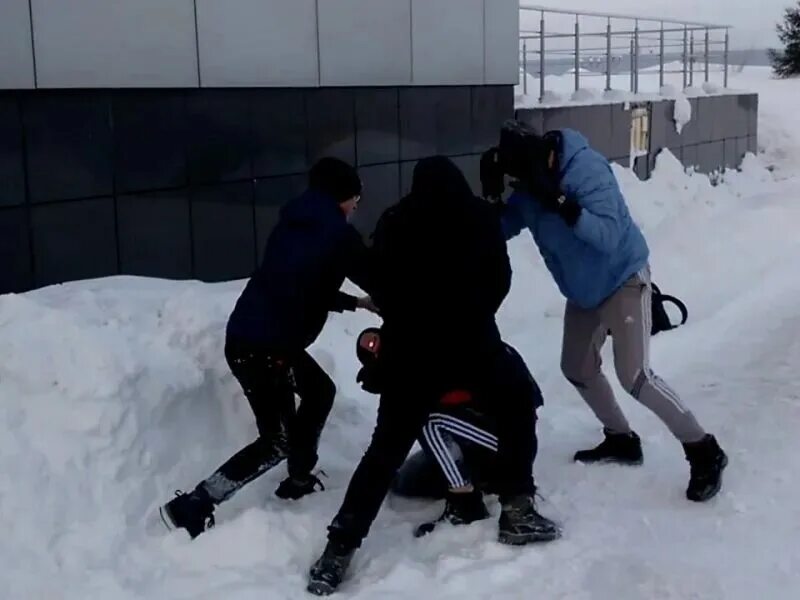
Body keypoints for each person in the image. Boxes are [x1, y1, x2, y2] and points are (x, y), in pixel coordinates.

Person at [306, 156, 560, 597]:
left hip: (410, 357)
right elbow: (500, 279)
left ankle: (338, 550)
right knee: (519, 403)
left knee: (382, 454)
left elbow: (381, 286)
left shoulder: (395, 220)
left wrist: (406, 315)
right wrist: (473, 314)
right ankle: (518, 507)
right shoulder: (480, 217)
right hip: (473, 346)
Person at [479, 120, 728, 503]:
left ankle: (704, 449)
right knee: (576, 367)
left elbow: (607, 238)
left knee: (636, 376)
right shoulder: (529, 187)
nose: (522, 186)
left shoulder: (586, 169)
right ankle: (621, 439)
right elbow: (499, 229)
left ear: (542, 157)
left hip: (623, 278)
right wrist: (492, 198)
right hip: (582, 292)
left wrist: (561, 203)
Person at [158, 157, 377, 539]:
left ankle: (299, 476)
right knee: (276, 440)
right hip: (267, 350)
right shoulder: (336, 235)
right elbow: (380, 276)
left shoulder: (293, 225)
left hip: (253, 339)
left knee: (319, 391)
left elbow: (306, 286)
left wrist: (357, 304)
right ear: (342, 196)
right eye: (355, 198)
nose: (356, 206)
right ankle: (194, 504)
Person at [354, 327, 541, 538]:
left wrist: (386, 379)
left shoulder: (435, 351)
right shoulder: (423, 350)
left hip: (512, 442)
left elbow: (423, 393)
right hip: (491, 431)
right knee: (409, 480)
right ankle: (474, 481)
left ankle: (466, 506)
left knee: (428, 422)